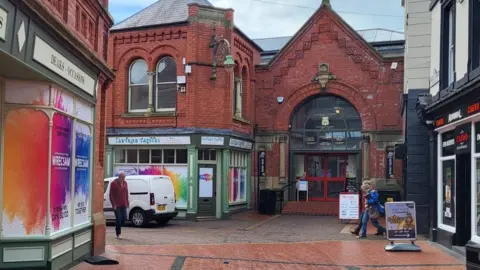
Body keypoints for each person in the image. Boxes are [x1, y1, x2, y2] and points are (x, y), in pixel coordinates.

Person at [109, 172, 129, 238]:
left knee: (125, 218)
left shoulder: (125, 183)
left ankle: (117, 227)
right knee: (118, 219)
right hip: (117, 205)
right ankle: (118, 233)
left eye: (124, 177)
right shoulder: (114, 183)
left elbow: (126, 193)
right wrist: (113, 204)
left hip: (124, 203)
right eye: (122, 177)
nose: (123, 179)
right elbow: (111, 195)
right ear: (119, 177)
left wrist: (127, 202)